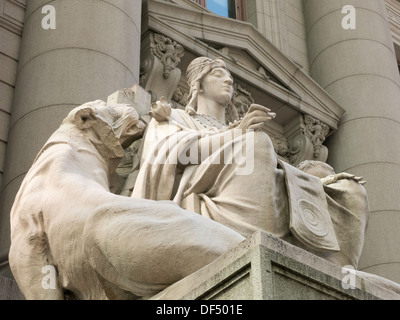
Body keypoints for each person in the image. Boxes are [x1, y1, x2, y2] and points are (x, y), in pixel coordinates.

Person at [131, 57, 370, 268]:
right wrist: (239, 135)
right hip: (205, 193)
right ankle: (255, 247)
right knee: (257, 143)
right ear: (198, 84)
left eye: (231, 79)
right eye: (218, 74)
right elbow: (177, 155)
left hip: (264, 197)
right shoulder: (176, 117)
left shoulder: (246, 135)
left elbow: (270, 178)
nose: (228, 82)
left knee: (349, 189)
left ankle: (335, 269)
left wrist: (311, 176)